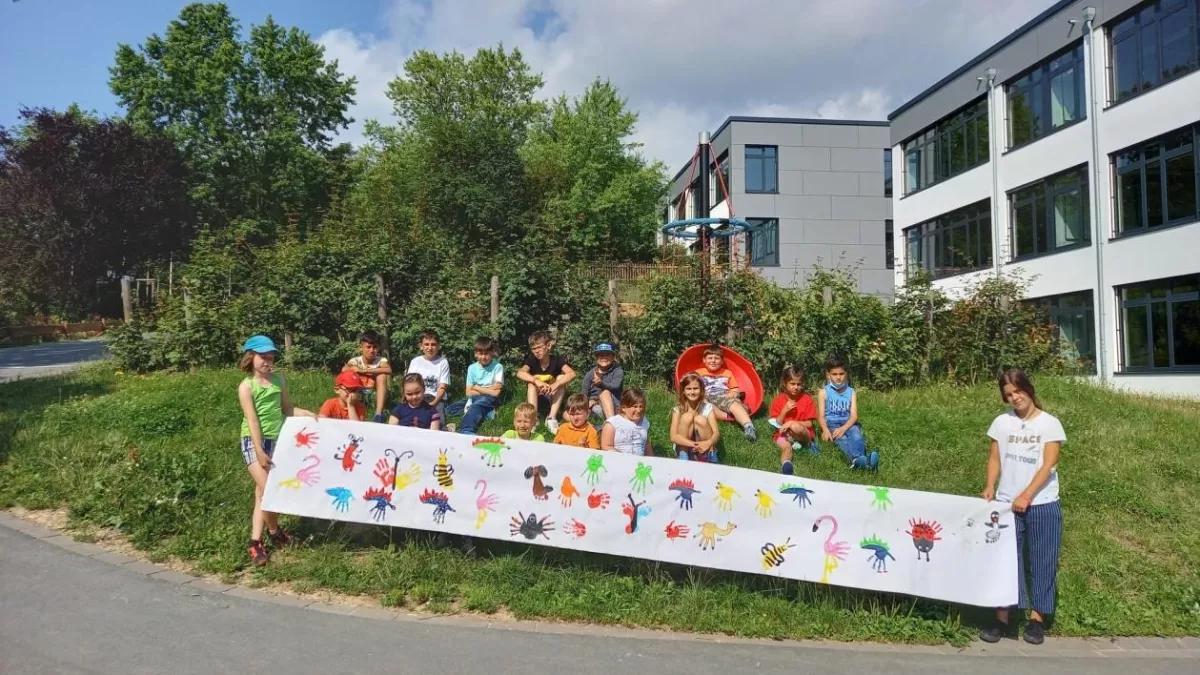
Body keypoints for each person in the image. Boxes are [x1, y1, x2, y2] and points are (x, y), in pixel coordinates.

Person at [979, 368, 1065, 646]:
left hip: (1042, 503)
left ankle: (1037, 619)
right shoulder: (1001, 423)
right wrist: (990, 485)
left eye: (1018, 391)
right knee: (1005, 561)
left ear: (1029, 389)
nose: (1015, 397)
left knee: (1042, 560)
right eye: (1009, 394)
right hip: (1005, 504)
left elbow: (1048, 463)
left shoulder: (1049, 423)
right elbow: (994, 458)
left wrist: (1027, 494)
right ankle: (1003, 618)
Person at [237, 335, 315, 566]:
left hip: (277, 440)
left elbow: (287, 408)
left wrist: (307, 414)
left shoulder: (278, 379)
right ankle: (272, 533)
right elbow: (252, 420)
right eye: (263, 357)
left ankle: (256, 541)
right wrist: (259, 450)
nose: (267, 361)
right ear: (251, 357)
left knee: (261, 494)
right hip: (253, 442)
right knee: (269, 491)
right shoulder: (246, 386)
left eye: (271, 357)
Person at [817, 355, 878, 471]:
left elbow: (854, 416)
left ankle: (860, 461)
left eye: (841, 374)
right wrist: (825, 430)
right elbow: (820, 416)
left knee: (856, 435)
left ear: (846, 374)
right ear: (828, 375)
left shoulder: (851, 392)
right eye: (834, 374)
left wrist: (844, 428)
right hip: (832, 425)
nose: (838, 377)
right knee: (843, 440)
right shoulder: (823, 392)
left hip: (848, 423)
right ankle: (860, 461)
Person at [692, 344, 757, 441]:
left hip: (722, 395)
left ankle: (748, 426)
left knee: (733, 403)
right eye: (710, 358)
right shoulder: (698, 372)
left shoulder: (727, 373)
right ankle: (730, 417)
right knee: (704, 405)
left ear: (722, 361)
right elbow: (690, 385)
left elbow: (735, 389)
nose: (713, 361)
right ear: (704, 360)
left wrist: (733, 394)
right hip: (705, 395)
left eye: (716, 358)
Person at [516, 330, 575, 434]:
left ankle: (551, 418)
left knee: (561, 378)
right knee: (531, 384)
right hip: (537, 395)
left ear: (548, 346)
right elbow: (520, 373)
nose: (536, 351)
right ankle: (533, 419)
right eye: (533, 349)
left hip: (553, 395)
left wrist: (555, 384)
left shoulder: (557, 360)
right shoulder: (532, 360)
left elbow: (572, 374)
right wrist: (536, 381)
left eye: (539, 347)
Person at [768, 366, 818, 475]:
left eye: (799, 384)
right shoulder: (779, 400)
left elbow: (809, 423)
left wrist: (791, 423)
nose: (796, 387)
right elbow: (777, 423)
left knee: (795, 427)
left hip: (803, 433)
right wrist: (784, 411)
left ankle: (809, 444)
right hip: (783, 434)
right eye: (792, 384)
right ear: (785, 383)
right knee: (786, 448)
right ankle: (786, 465)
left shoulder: (807, 399)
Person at [342, 330, 392, 422]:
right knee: (348, 375)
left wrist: (364, 371)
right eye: (368, 347)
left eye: (375, 347)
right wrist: (354, 369)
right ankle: (350, 408)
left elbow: (388, 370)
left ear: (379, 348)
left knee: (382, 376)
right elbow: (344, 370)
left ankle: (378, 414)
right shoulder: (356, 360)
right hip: (359, 393)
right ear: (361, 347)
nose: (372, 350)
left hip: (375, 394)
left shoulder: (381, 360)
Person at [669, 373, 720, 462]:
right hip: (685, 446)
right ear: (683, 391)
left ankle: (709, 455)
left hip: (704, 446)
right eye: (688, 389)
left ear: (701, 390)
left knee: (700, 419)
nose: (692, 392)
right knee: (687, 417)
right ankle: (683, 456)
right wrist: (694, 445)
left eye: (695, 388)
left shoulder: (707, 407)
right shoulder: (678, 410)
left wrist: (708, 443)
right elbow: (673, 437)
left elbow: (716, 433)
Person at [459, 336, 504, 435]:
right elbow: (468, 392)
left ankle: (466, 430)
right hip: (475, 396)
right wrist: (489, 389)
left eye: (486, 354)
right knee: (450, 409)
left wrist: (476, 387)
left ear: (492, 352)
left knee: (478, 404)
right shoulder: (472, 368)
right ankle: (488, 413)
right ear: (475, 354)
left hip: (489, 398)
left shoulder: (497, 367)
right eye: (480, 354)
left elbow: (496, 393)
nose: (483, 357)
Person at [406, 330, 451, 423]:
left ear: (438, 346)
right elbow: (408, 384)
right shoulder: (415, 362)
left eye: (433, 344)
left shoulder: (443, 362)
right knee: (409, 420)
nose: (430, 348)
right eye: (426, 344)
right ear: (421, 346)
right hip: (417, 396)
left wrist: (433, 404)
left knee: (438, 422)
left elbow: (442, 387)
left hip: (436, 398)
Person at [601, 388, 653, 456]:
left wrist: (652, 460)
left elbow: (646, 445)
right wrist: (625, 458)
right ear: (624, 408)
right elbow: (606, 446)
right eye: (635, 406)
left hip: (640, 464)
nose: (639, 410)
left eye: (641, 406)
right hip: (619, 462)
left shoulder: (644, 422)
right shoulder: (612, 424)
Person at [582, 342, 624, 421]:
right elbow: (584, 393)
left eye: (607, 355)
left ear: (613, 357)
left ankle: (612, 424)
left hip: (614, 406)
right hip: (594, 407)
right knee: (567, 413)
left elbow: (615, 386)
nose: (604, 358)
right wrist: (587, 403)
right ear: (596, 357)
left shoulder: (618, 371)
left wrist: (601, 384)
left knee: (604, 393)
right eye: (601, 355)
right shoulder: (590, 374)